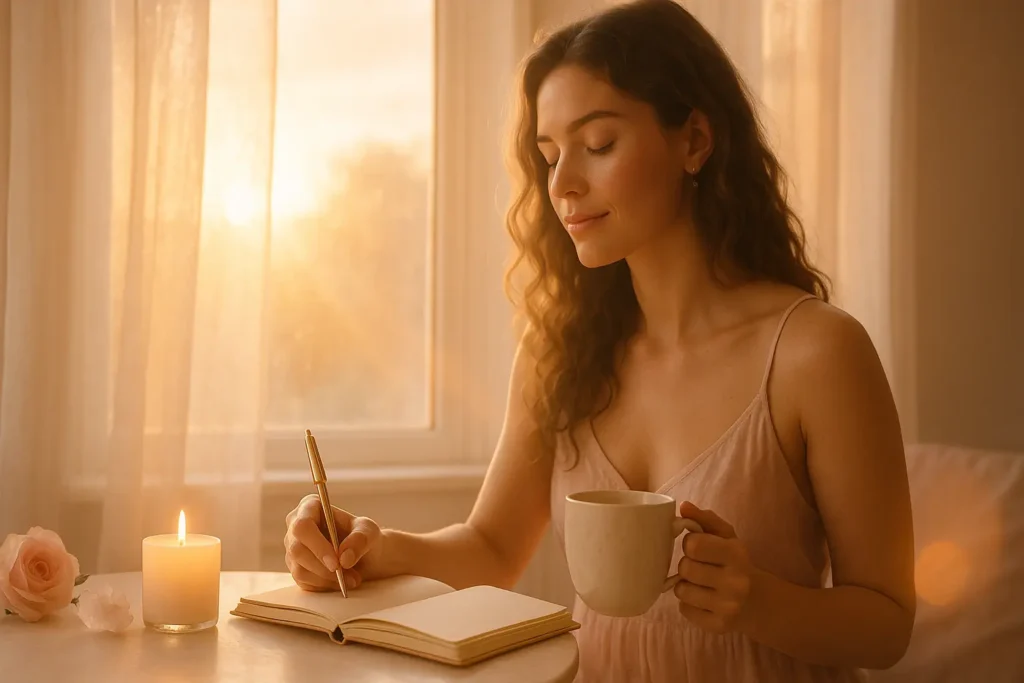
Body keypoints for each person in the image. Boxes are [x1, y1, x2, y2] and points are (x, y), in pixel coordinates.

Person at [283, 1, 915, 680]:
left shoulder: (816, 353)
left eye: (599, 144)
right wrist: (371, 548)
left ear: (694, 141)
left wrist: (758, 601)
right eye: (550, 156)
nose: (562, 184)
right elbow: (491, 547)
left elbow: (886, 625)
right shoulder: (558, 353)